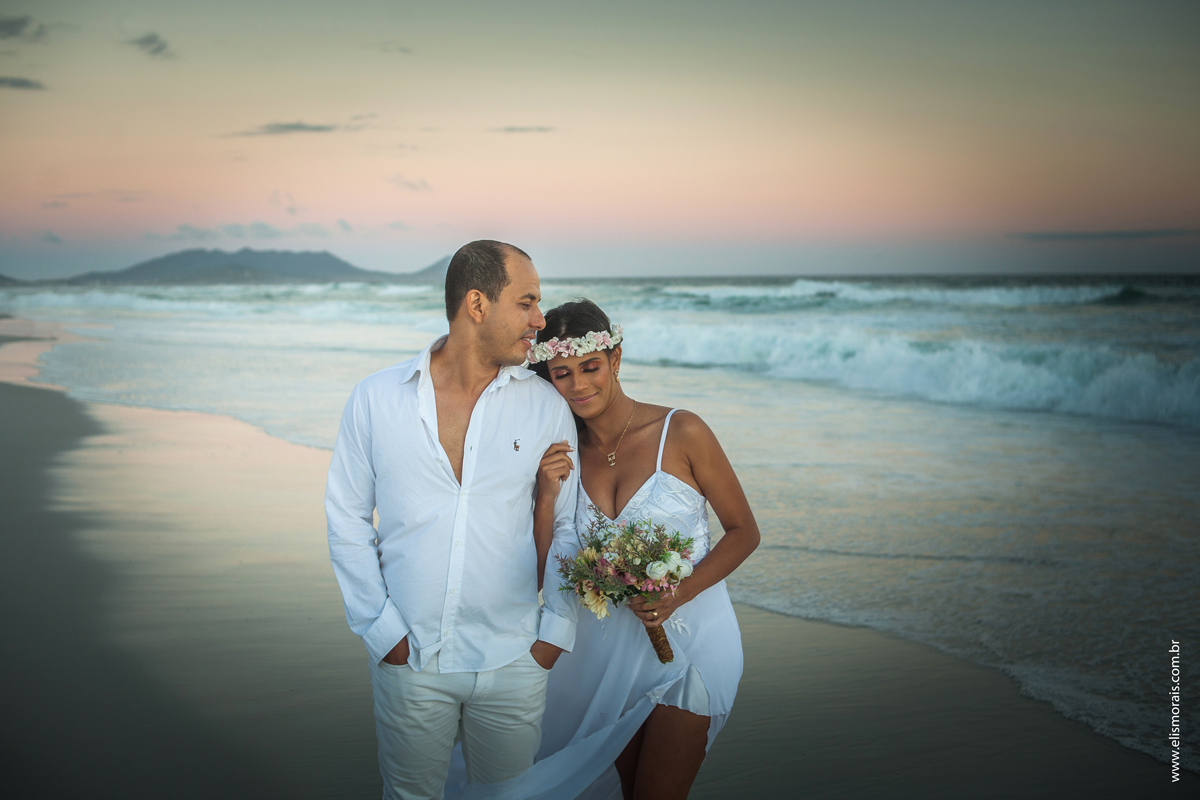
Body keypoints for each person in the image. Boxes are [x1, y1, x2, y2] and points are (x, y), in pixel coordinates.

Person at [323, 240, 580, 800]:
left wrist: (553, 634)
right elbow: (345, 517)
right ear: (477, 304)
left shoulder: (545, 407)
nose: (540, 321)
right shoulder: (376, 399)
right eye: (527, 302)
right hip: (410, 654)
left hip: (515, 656)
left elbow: (568, 525)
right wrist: (381, 630)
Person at [517, 298, 761, 800]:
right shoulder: (562, 457)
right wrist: (545, 496)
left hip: (693, 640)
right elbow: (546, 566)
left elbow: (743, 531)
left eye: (591, 368)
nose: (580, 385)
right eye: (562, 374)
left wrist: (678, 593)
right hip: (605, 657)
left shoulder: (682, 430)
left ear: (616, 359)